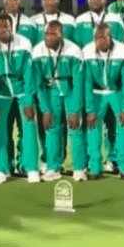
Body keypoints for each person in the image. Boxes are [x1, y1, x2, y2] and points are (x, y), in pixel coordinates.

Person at [0, 0, 39, 175]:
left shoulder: (30, 25)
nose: (12, 2)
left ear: (20, 1)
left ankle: (27, 165)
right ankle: (4, 166)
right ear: (3, 0)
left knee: (27, 126)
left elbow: (32, 61)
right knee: (3, 128)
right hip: (2, 91)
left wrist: (30, 96)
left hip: (22, 87)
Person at [75, 0, 124, 172]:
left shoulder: (115, 19)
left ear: (105, 0)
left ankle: (114, 158)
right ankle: (90, 161)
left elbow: (120, 45)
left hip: (111, 79)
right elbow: (77, 47)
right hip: (91, 73)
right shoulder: (80, 20)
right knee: (91, 122)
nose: (94, 1)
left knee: (113, 124)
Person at [32, 20, 85, 181]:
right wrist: (45, 109)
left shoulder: (74, 50)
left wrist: (75, 110)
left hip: (70, 89)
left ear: (61, 35)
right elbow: (38, 84)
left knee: (75, 127)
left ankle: (79, 169)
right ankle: (53, 168)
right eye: (46, 34)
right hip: (50, 91)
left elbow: (78, 83)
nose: (48, 37)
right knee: (51, 128)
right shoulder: (37, 51)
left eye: (53, 34)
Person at [82, 23, 124, 179]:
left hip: (117, 92)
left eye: (104, 37)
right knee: (93, 127)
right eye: (97, 38)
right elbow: (87, 82)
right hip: (97, 93)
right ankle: (95, 168)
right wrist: (90, 109)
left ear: (111, 37)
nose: (100, 41)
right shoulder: (87, 51)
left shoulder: (123, 51)